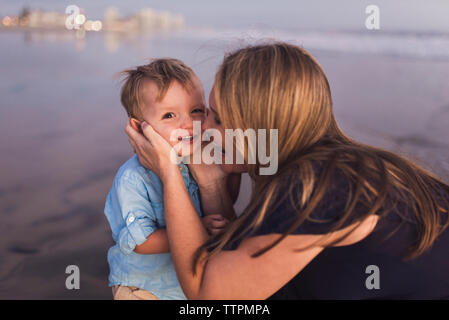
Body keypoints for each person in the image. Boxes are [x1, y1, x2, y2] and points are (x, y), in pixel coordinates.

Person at [126, 42, 449, 299]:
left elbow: (209, 294)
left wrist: (169, 173)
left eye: (219, 119)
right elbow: (241, 263)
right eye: (207, 113)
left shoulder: (319, 186)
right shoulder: (339, 163)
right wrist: (211, 186)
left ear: (261, 126)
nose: (204, 128)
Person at [104, 58, 235, 300]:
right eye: (169, 115)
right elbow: (141, 242)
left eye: (196, 111)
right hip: (143, 287)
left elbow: (226, 204)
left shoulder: (200, 159)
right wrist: (201, 228)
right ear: (140, 128)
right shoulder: (133, 179)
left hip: (181, 288)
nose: (187, 124)